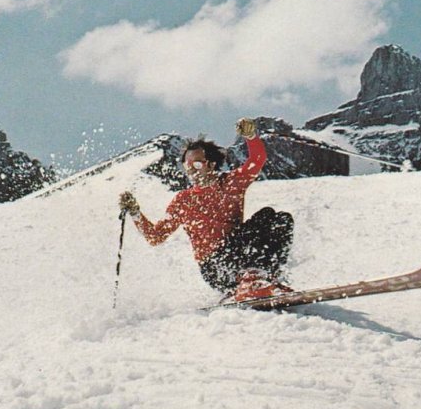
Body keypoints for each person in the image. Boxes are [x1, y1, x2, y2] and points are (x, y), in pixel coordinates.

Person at [119, 118, 294, 299]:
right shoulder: (183, 200)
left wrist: (250, 136)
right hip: (215, 267)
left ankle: (263, 280)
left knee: (276, 218)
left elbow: (257, 160)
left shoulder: (230, 183)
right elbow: (156, 236)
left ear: (210, 165)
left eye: (197, 164)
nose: (192, 171)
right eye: (188, 167)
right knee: (266, 219)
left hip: (237, 252)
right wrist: (135, 212)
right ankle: (249, 284)